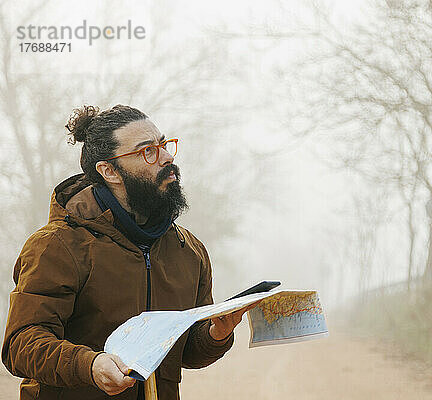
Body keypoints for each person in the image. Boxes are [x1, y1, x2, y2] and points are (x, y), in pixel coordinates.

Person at [2, 104, 248, 400]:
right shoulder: (57, 245)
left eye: (164, 145)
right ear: (109, 171)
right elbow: (21, 343)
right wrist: (90, 365)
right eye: (148, 151)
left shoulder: (188, 250)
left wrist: (215, 334)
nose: (167, 158)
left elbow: (187, 352)